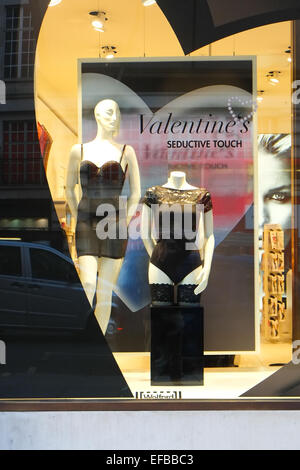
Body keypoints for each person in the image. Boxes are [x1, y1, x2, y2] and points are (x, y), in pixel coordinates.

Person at [66, 99, 140, 334]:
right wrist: (78, 213)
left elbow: (137, 192)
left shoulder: (127, 152)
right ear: (97, 115)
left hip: (114, 224)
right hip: (86, 223)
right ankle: (83, 338)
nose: (114, 117)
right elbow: (68, 188)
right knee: (87, 284)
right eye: (109, 112)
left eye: (117, 113)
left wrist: (125, 220)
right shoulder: (79, 150)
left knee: (105, 292)